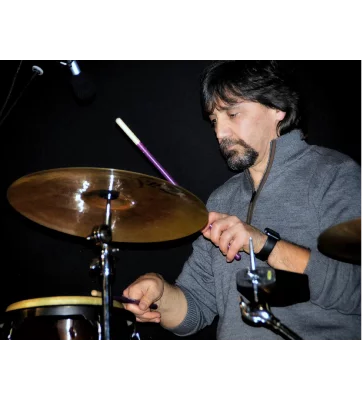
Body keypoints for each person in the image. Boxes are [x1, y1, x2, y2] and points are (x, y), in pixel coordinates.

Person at [122, 57, 362, 341]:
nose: (220, 133)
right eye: (214, 120)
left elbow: (356, 288)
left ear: (277, 108)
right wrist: (159, 293)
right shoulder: (221, 200)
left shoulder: (336, 175)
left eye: (232, 114)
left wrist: (263, 243)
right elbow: (195, 309)